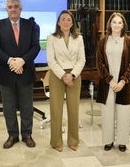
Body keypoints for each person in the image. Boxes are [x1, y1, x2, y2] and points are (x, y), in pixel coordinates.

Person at [0, 0, 40, 149]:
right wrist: (11, 61)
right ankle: (12, 135)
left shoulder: (30, 25)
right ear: (6, 9)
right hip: (6, 73)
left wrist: (22, 61)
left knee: (27, 107)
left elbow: (35, 47)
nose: (13, 9)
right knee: (8, 108)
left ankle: (27, 135)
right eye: (10, 7)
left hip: (26, 72)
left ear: (20, 9)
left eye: (16, 6)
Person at [96, 12, 130, 152]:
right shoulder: (103, 41)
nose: (117, 25)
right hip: (107, 84)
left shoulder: (129, 41)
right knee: (107, 113)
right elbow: (99, 63)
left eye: (120, 22)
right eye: (114, 22)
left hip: (123, 84)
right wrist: (110, 80)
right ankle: (108, 141)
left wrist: (123, 81)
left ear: (123, 24)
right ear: (109, 24)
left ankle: (122, 141)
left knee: (123, 113)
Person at [46, 10, 86, 152]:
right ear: (58, 22)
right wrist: (63, 75)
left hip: (74, 76)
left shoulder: (79, 38)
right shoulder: (51, 38)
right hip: (57, 75)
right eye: (63, 19)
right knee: (56, 110)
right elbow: (51, 60)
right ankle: (56, 142)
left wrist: (72, 75)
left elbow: (82, 59)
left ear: (72, 23)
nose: (66, 22)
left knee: (73, 109)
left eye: (68, 19)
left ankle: (73, 140)